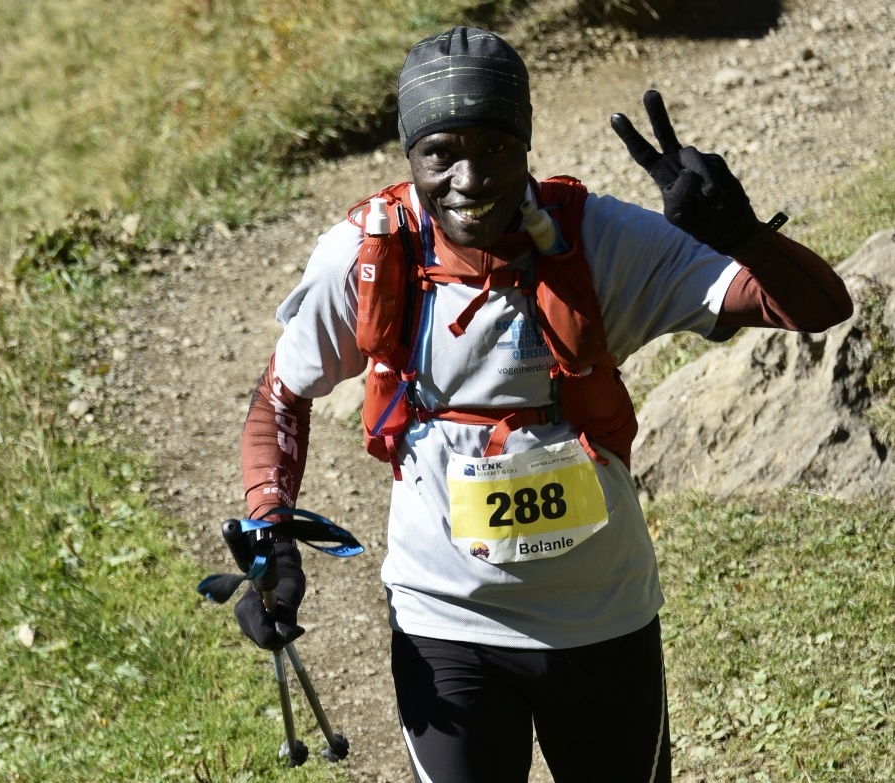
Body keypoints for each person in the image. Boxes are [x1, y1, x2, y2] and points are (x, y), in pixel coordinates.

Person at [231, 26, 853, 782]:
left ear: (525, 145)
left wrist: (744, 237)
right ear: (410, 158)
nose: (469, 178)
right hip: (445, 624)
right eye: (441, 154)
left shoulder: (598, 238)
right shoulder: (370, 255)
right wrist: (271, 536)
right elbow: (280, 394)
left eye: (494, 147)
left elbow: (816, 307)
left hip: (604, 620)